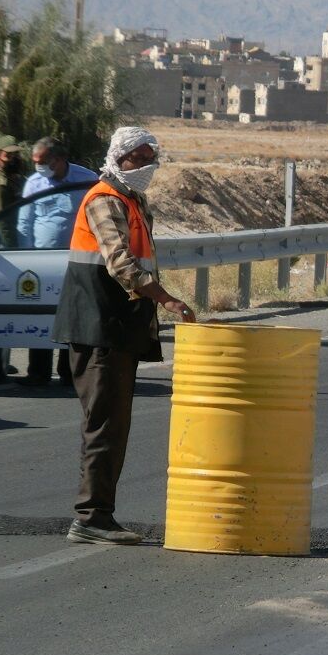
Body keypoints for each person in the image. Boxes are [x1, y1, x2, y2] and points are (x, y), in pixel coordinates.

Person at [52, 126, 196, 545]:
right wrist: (167, 299)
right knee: (104, 426)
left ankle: (98, 514)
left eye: (153, 158)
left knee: (113, 426)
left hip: (117, 329)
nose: (148, 166)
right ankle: (91, 517)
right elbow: (122, 263)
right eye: (140, 157)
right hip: (99, 328)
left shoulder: (133, 201)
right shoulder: (103, 200)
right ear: (119, 157)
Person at [17, 138, 100, 386]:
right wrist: (26, 258)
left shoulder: (86, 179)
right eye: (35, 162)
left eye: (42, 162)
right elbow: (24, 223)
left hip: (77, 259)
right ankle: (38, 372)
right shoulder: (34, 183)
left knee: (73, 316)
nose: (38, 167)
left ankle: (69, 372)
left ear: (59, 159)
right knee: (41, 316)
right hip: (41, 262)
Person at [0, 135, 27, 383]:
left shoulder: (15, 180)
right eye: (8, 155)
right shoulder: (1, 184)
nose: (13, 158)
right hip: (3, 251)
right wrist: (15, 251)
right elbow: (2, 221)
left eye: (15, 154)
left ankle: (3, 363)